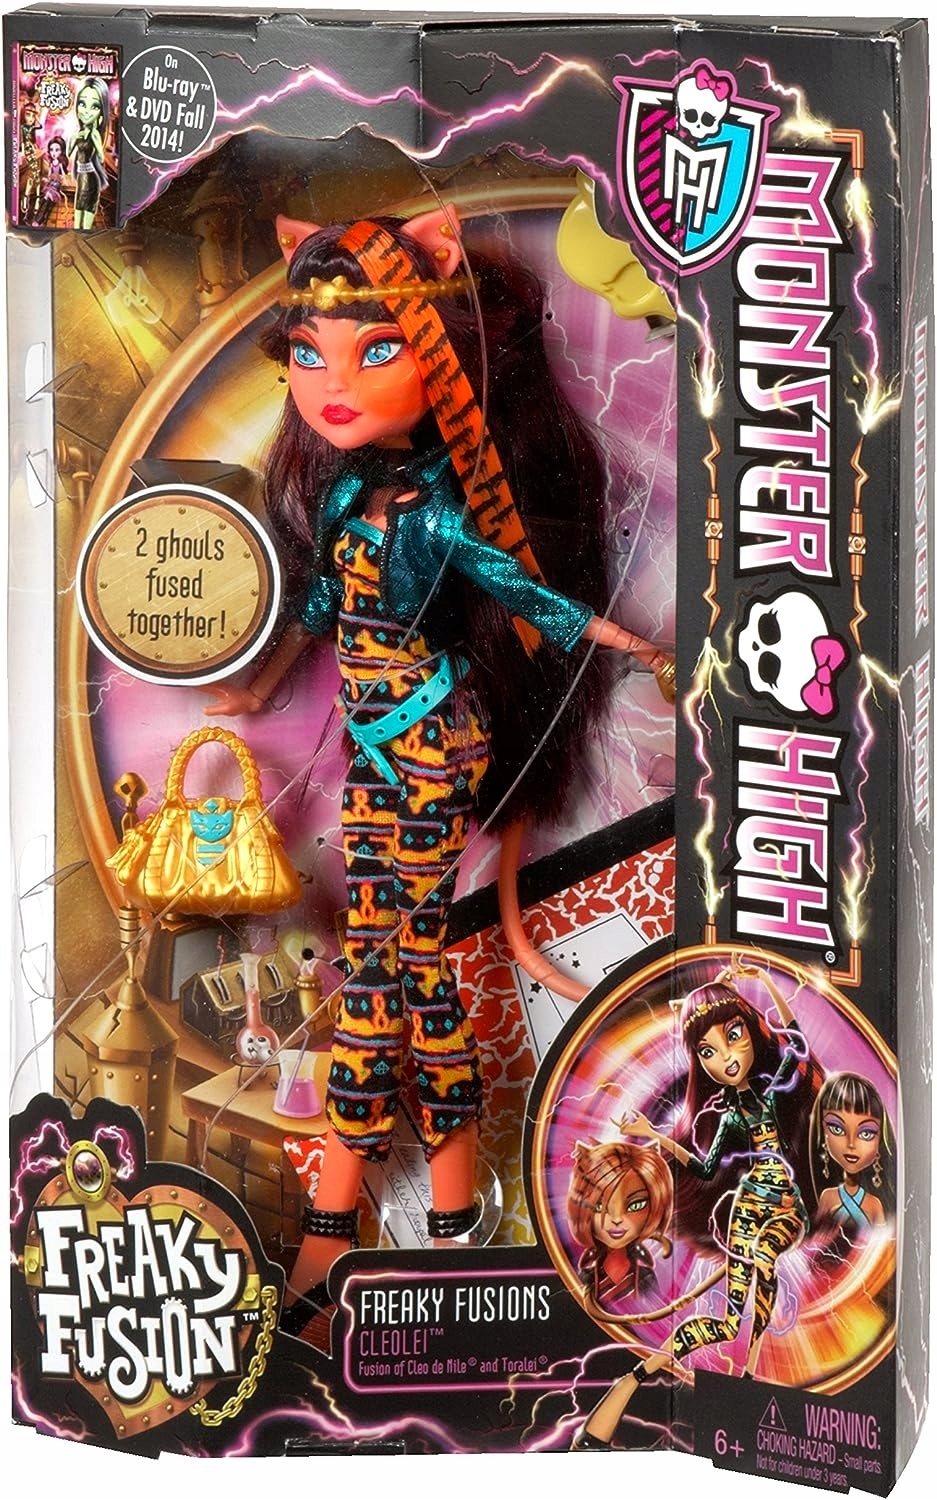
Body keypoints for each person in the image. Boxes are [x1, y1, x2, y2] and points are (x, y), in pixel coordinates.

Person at [206, 206, 672, 1329]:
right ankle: (453, 1210)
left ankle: (333, 1228)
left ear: (437, 358)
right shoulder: (344, 498)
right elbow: (322, 605)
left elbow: (523, 591)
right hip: (376, 759)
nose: (332, 382)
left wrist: (628, 643)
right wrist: (262, 689)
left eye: (374, 351)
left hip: (426, 752)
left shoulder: (439, 513)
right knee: (409, 977)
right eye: (309, 352)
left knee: (381, 984)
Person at [567, 1138, 673, 1310]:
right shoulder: (585, 1278)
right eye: (599, 1206)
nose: (616, 1219)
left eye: (635, 1205)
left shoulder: (645, 1278)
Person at [810, 1072, 893, 1237]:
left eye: (866, 1133)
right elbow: (818, 1238)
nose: (851, 1144)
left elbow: (884, 1245)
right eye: (837, 1128)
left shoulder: (874, 1204)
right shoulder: (827, 1197)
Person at [68, 79, 109, 230]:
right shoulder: (78, 133)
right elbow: (69, 153)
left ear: (101, 114)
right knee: (77, 215)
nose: (86, 111)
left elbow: (101, 158)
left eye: (95, 106)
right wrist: (72, 139)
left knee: (86, 222)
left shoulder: (95, 134)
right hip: (81, 177)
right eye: (82, 103)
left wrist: (96, 140)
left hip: (90, 178)